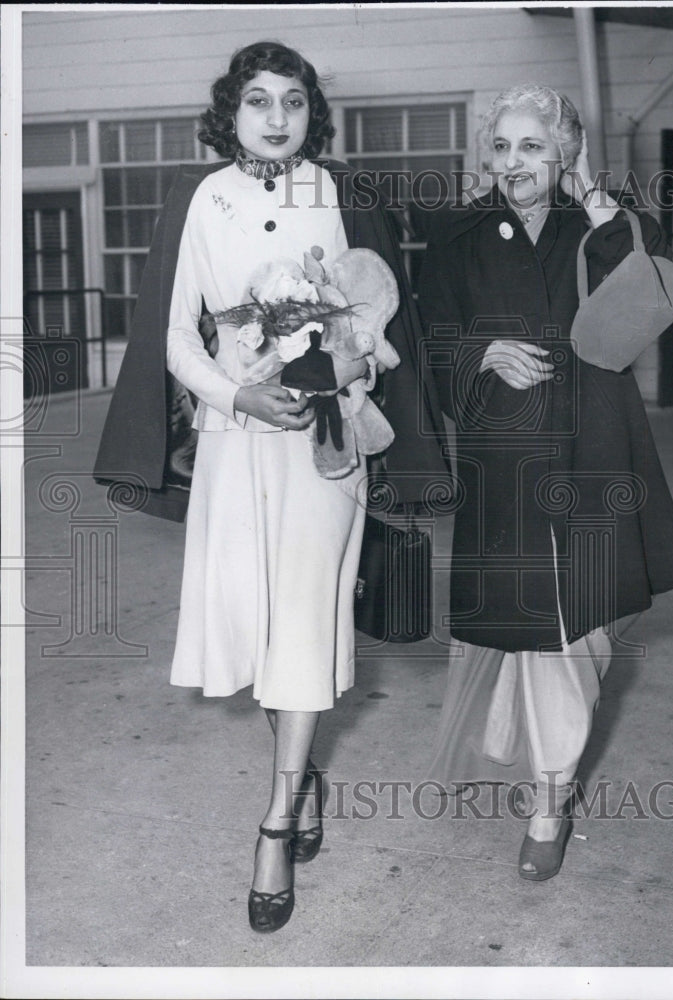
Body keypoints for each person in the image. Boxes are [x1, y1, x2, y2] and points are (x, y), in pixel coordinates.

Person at [94, 41, 449, 932]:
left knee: (302, 622)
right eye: (258, 100)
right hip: (232, 437)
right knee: (258, 631)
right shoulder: (200, 198)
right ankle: (306, 772)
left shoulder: (344, 194)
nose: (277, 116)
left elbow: (380, 314)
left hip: (326, 450)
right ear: (231, 110)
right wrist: (237, 391)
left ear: (311, 112)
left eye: (293, 100)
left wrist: (347, 363)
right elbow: (175, 335)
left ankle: (276, 820)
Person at [418, 85, 673, 881]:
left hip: (594, 449)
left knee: (585, 629)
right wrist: (483, 355)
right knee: (540, 631)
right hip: (503, 461)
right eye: (501, 147)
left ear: (566, 151)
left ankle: (555, 778)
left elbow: (645, 307)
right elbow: (432, 347)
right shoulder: (454, 236)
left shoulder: (608, 227)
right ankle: (550, 798)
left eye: (533, 146)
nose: (514, 163)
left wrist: (607, 219)